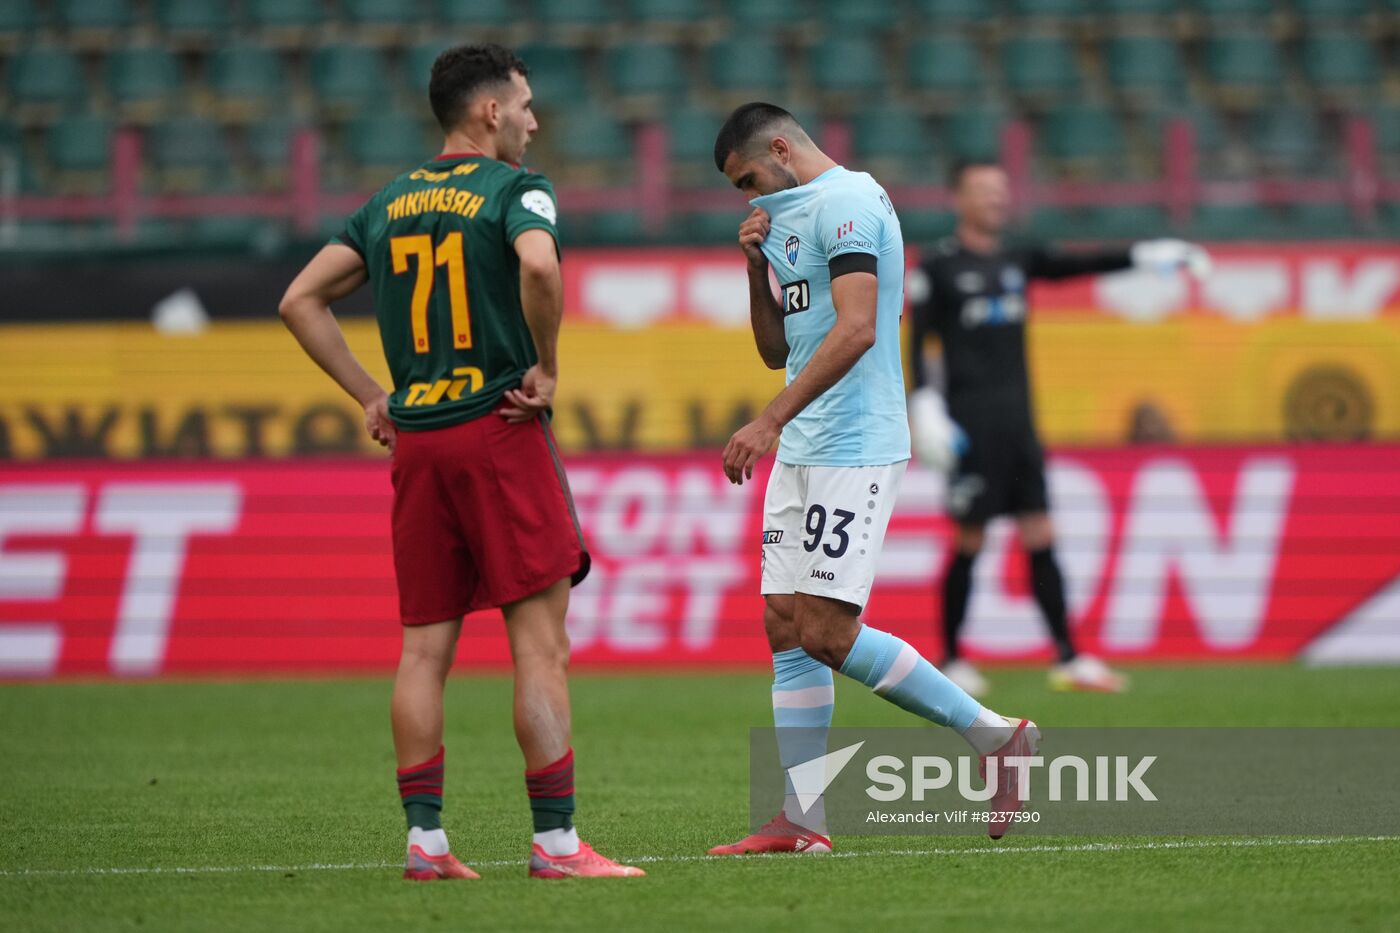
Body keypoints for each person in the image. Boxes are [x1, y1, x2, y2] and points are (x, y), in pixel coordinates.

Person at [278, 44, 641, 881]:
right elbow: (541, 263)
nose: (533, 121)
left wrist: (373, 394)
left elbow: (298, 299)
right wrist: (546, 366)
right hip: (498, 428)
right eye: (524, 106)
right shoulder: (518, 190)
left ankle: (426, 843)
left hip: (419, 440)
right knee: (540, 644)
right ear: (489, 113)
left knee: (422, 649)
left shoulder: (389, 201)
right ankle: (556, 845)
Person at [707, 103, 1039, 857]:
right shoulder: (785, 217)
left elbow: (858, 329)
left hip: (853, 443)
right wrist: (756, 267)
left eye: (749, 178)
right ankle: (801, 817)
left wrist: (768, 421)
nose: (748, 197)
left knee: (825, 630)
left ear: (783, 148)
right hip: (803, 447)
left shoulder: (850, 201)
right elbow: (774, 347)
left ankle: (997, 736)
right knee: (783, 624)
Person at [907, 159, 1211, 697]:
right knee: (970, 537)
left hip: (1020, 424)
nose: (997, 200)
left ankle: (1069, 656)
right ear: (959, 198)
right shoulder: (939, 267)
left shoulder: (1017, 258)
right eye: (984, 191)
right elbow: (917, 344)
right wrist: (924, 404)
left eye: (1002, 190)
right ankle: (952, 659)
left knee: (1040, 533)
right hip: (969, 425)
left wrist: (1143, 255)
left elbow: (1079, 265)